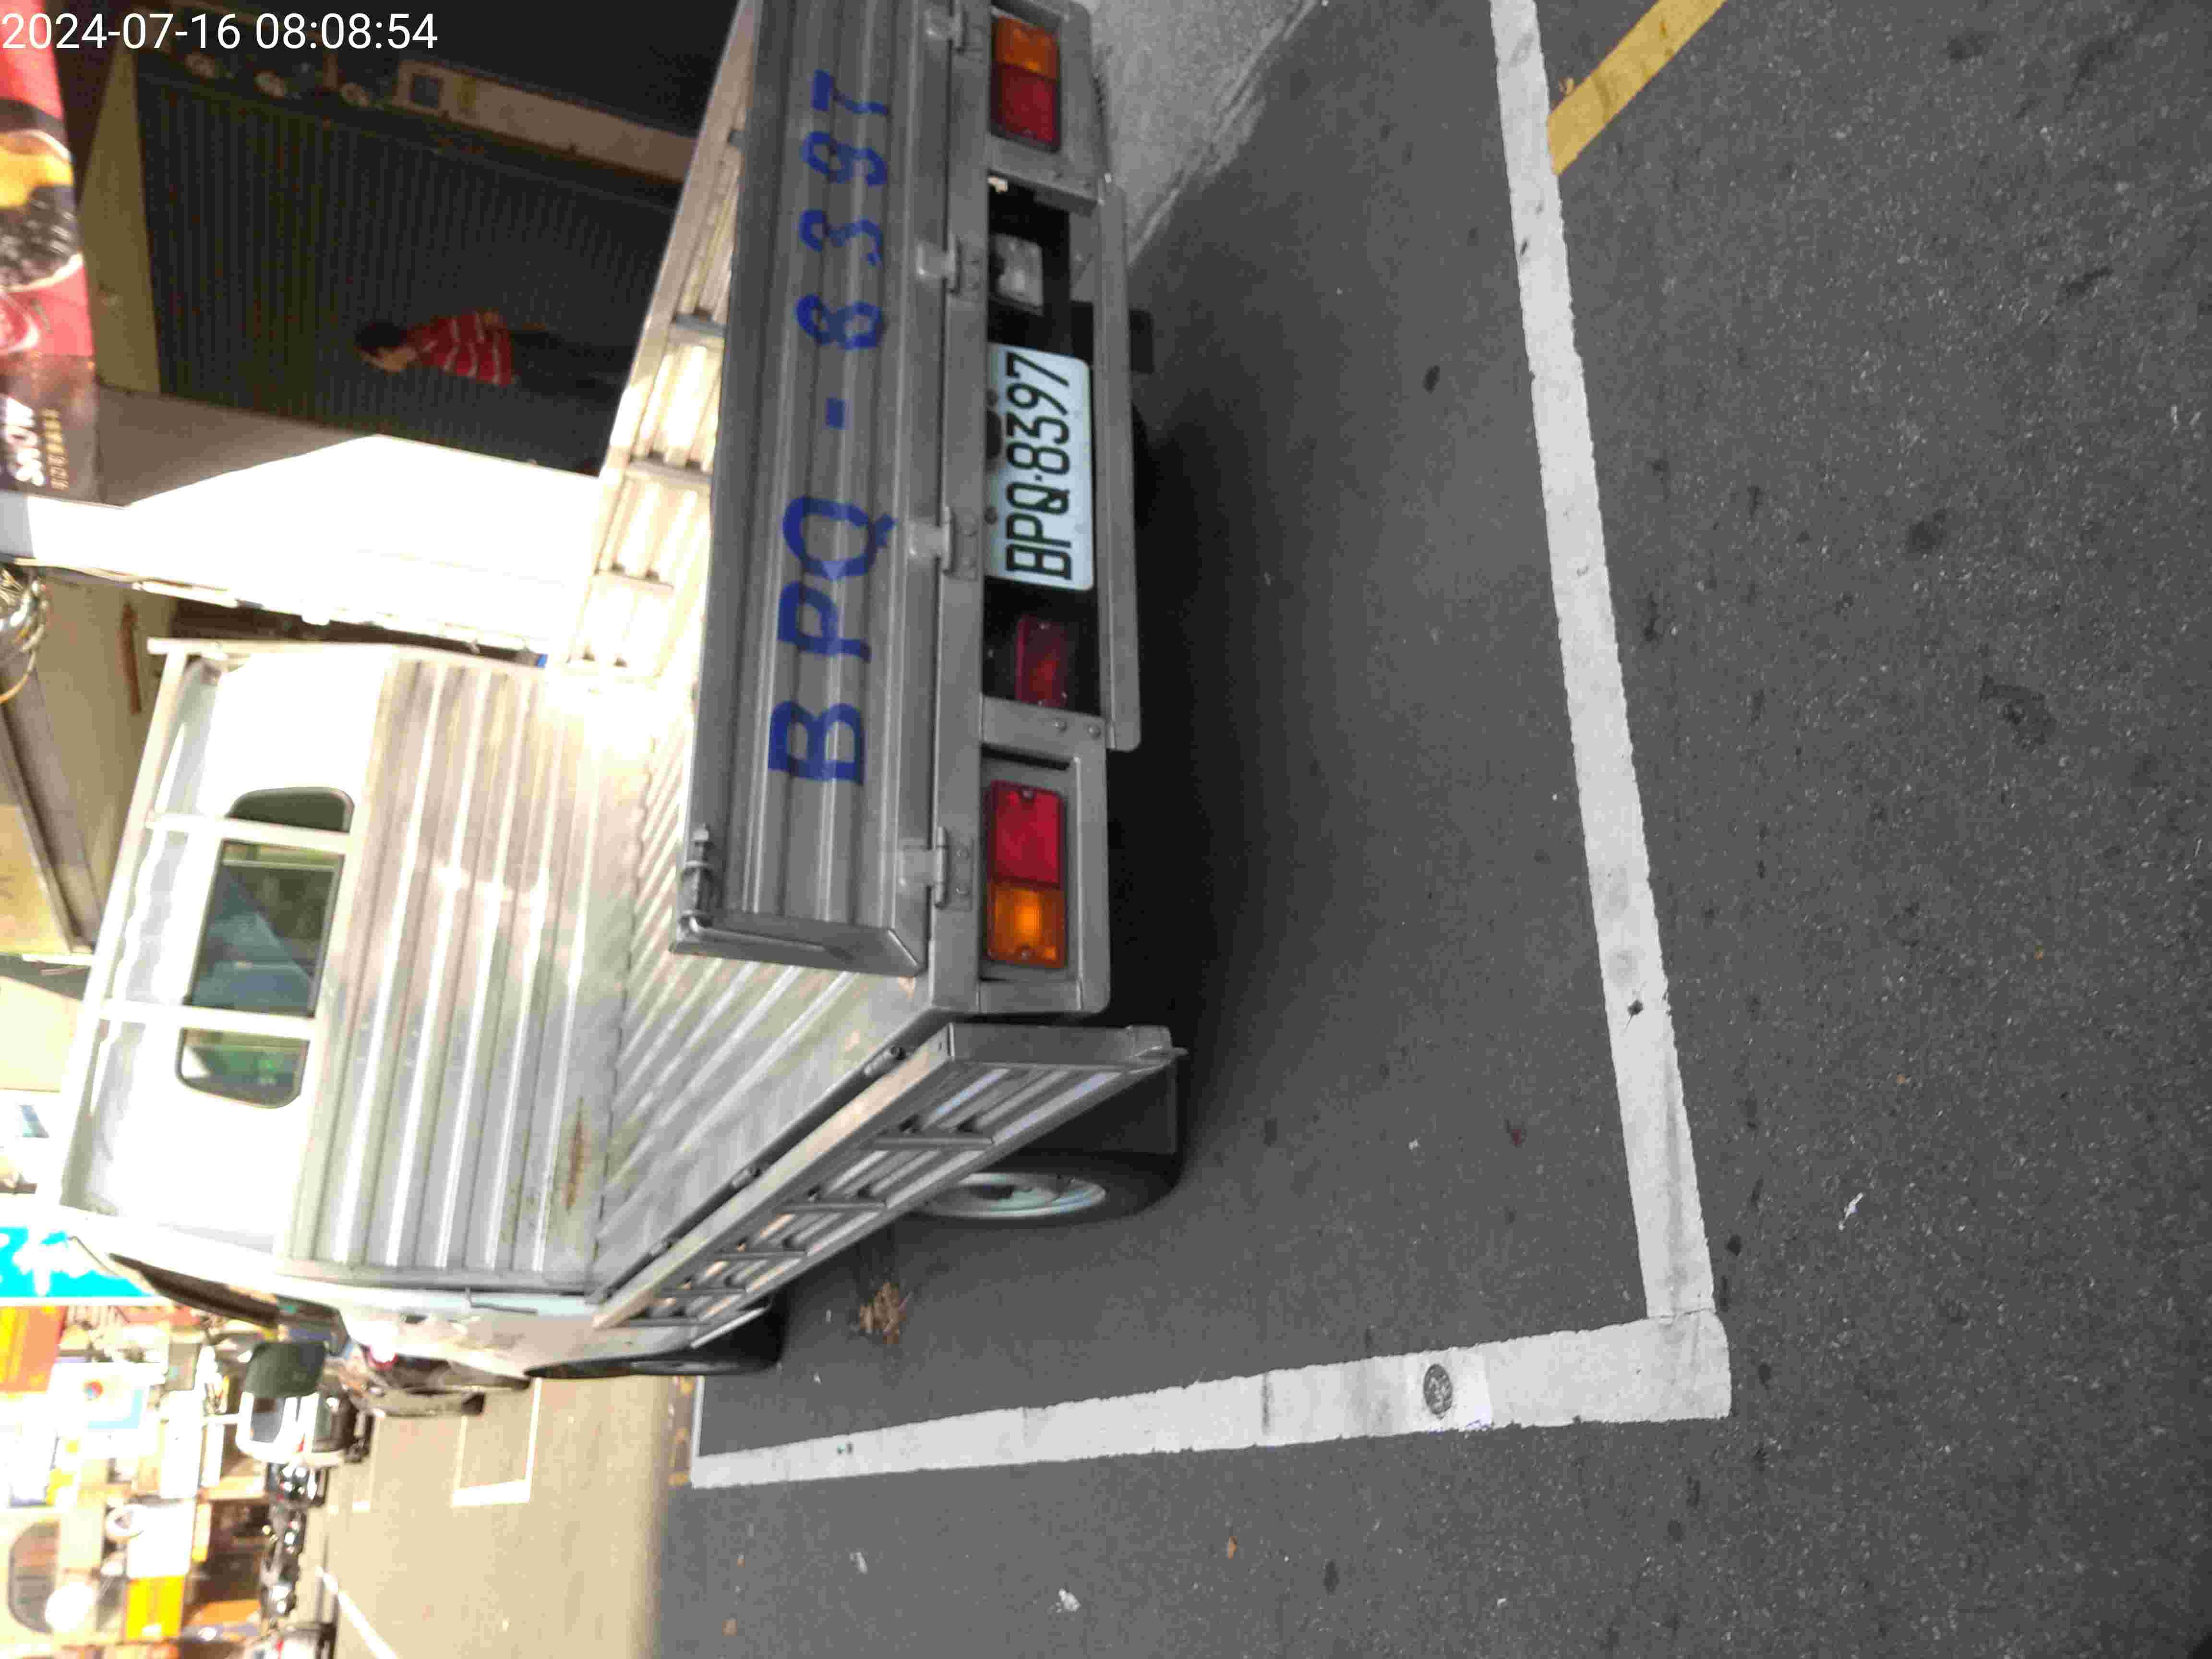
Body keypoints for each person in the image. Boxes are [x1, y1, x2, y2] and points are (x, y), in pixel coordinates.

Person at [354, 312, 629, 410]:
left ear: (384, 352)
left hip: (525, 359)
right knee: (590, 389)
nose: (382, 368)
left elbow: (488, 319)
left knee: (598, 366)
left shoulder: (429, 338)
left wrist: (528, 340)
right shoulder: (426, 352)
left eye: (376, 362)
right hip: (521, 372)